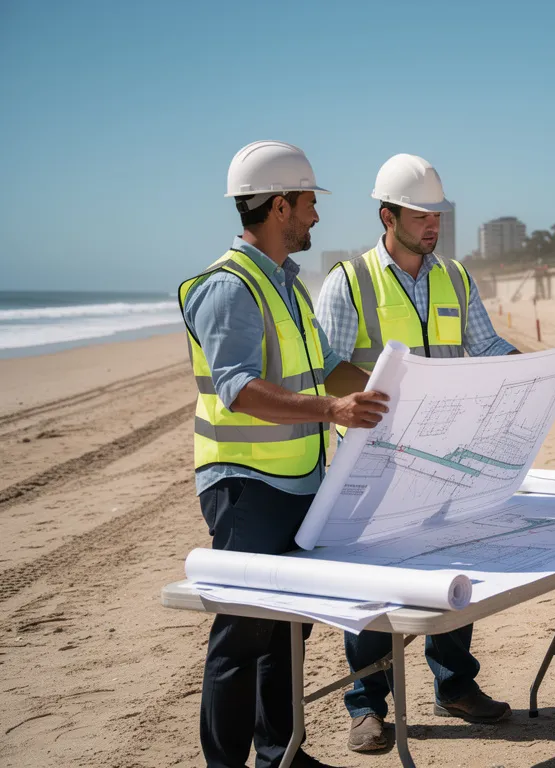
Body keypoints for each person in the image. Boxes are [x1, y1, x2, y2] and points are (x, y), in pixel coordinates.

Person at [314, 153, 555, 752]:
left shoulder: (455, 277)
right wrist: (390, 398)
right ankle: (366, 705)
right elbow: (326, 366)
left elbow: (485, 344)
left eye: (436, 214)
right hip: (372, 460)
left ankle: (455, 685)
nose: (432, 225)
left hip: (447, 458)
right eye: (419, 215)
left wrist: (544, 372)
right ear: (388, 216)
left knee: (453, 566)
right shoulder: (349, 280)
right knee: (374, 585)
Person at [180, 140, 390, 768]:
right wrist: (332, 411)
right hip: (244, 486)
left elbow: (325, 369)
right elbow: (238, 389)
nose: (316, 216)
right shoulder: (229, 288)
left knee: (286, 629)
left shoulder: (291, 289)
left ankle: (280, 754)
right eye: (308, 203)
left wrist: (393, 392)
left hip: (297, 481)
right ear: (279, 206)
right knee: (241, 634)